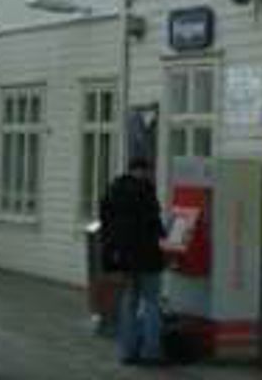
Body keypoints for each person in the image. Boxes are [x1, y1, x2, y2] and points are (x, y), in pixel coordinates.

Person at [98, 157, 165, 366]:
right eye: (148, 171)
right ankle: (150, 351)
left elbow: (105, 223)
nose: (149, 175)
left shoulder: (113, 190)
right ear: (143, 171)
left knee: (129, 301)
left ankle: (127, 351)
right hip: (147, 256)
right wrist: (164, 234)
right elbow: (153, 223)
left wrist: (112, 252)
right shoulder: (145, 191)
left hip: (124, 257)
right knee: (152, 302)